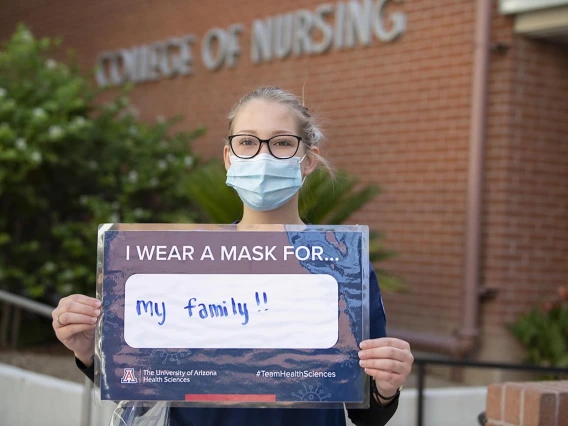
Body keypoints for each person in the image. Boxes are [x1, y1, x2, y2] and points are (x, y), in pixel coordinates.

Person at [52, 86, 414, 426]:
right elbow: (140, 385)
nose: (263, 155)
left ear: (308, 160)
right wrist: (89, 351)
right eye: (247, 142)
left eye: (283, 143)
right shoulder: (182, 263)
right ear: (229, 157)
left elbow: (365, 411)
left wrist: (385, 387)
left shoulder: (344, 266)